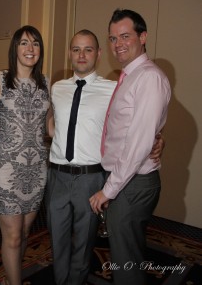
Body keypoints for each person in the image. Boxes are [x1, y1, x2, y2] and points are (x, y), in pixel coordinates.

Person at [46, 29, 165, 285]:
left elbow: (140, 119)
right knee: (57, 240)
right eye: (76, 49)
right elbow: (51, 122)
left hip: (91, 178)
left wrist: (158, 139)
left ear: (99, 54)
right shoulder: (57, 88)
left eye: (88, 49)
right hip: (57, 176)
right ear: (69, 53)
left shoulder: (113, 89)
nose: (81, 55)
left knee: (84, 243)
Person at [89, 9, 171, 285]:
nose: (118, 44)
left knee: (126, 264)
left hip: (132, 183)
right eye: (112, 38)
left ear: (143, 36)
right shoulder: (130, 76)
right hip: (127, 179)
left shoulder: (148, 77)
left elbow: (138, 143)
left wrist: (108, 190)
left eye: (125, 36)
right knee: (126, 255)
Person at [0, 25, 52, 285]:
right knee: (13, 236)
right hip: (6, 168)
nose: (30, 49)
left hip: (37, 167)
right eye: (24, 43)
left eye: (36, 43)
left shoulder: (47, 82)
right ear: (14, 47)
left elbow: (50, 126)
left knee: (25, 232)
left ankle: (10, 277)